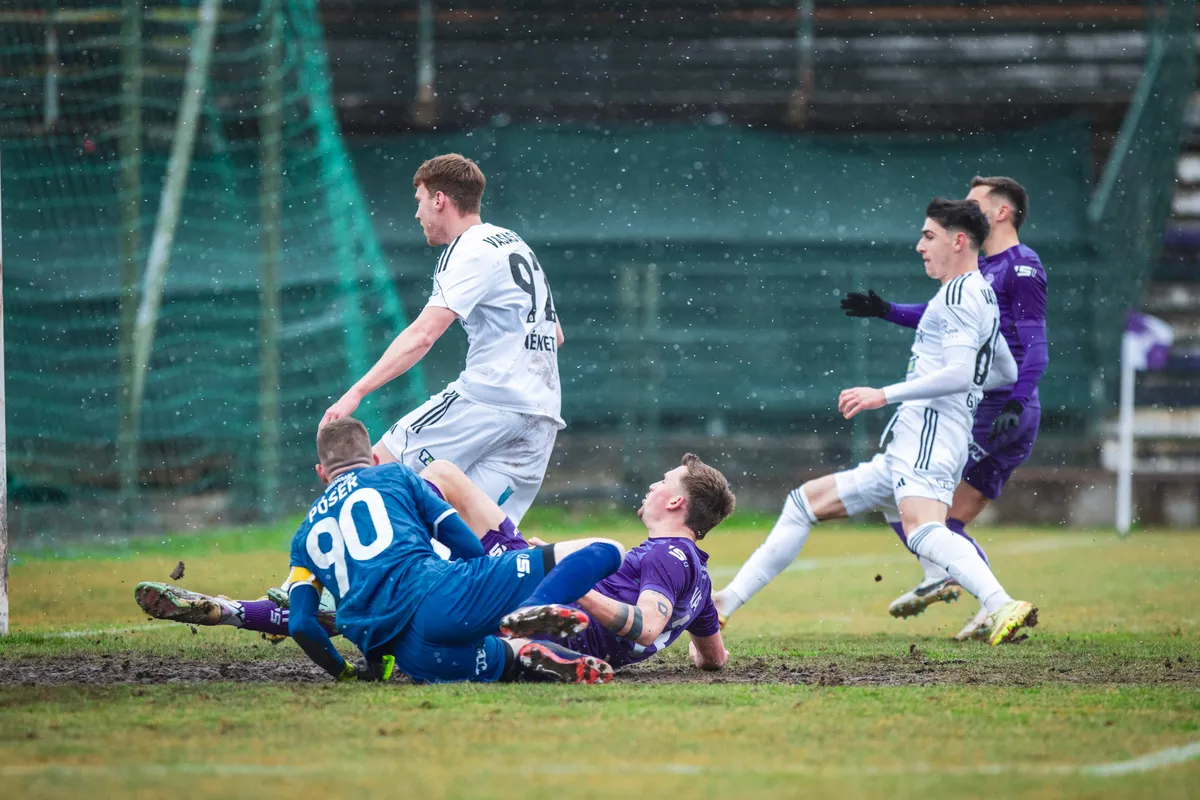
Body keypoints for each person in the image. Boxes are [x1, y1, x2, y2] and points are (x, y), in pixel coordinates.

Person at [713, 198, 1038, 647]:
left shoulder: (960, 295)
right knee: (804, 504)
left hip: (929, 435)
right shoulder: (977, 292)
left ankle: (1000, 603)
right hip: (921, 437)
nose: (919, 246)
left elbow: (962, 374)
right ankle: (726, 602)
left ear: (958, 241)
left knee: (924, 530)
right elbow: (1004, 370)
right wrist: (963, 398)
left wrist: (883, 394)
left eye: (928, 236)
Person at [137, 453, 733, 674]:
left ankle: (245, 607)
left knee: (439, 483)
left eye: (663, 482)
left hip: (550, 608)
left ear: (676, 504)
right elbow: (712, 658)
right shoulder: (699, 579)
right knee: (387, 605)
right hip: (550, 616)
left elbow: (645, 625)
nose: (652, 486)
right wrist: (695, 647)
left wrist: (567, 592)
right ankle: (232, 610)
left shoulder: (667, 552)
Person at [243, 417, 622, 684]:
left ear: (321, 472)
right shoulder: (394, 475)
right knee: (607, 549)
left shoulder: (304, 537)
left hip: (415, 655)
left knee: (505, 657)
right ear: (373, 458)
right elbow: (460, 539)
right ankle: (528, 611)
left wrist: (346, 672)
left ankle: (521, 653)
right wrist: (484, 588)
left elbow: (302, 624)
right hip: (441, 595)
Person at [840, 176, 1048, 639]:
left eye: (974, 203)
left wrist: (1017, 402)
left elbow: (1035, 346)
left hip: (996, 411)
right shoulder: (982, 270)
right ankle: (985, 605)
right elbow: (940, 317)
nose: (965, 208)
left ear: (1001, 212)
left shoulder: (1021, 267)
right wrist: (888, 310)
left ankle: (974, 593)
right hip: (991, 407)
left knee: (923, 516)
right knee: (944, 521)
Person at [320, 153, 565, 525]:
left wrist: (357, 391)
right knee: (474, 535)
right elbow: (555, 335)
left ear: (439, 200)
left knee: (368, 474)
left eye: (419, 201)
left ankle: (317, 563)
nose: (417, 214)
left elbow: (423, 335)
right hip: (541, 416)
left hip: (488, 402)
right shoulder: (515, 244)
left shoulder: (469, 249)